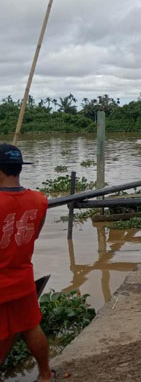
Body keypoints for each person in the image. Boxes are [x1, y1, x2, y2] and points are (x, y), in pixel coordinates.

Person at [0, 144, 53, 382]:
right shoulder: (39, 200)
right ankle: (45, 374)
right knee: (31, 327)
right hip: (22, 277)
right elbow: (35, 233)